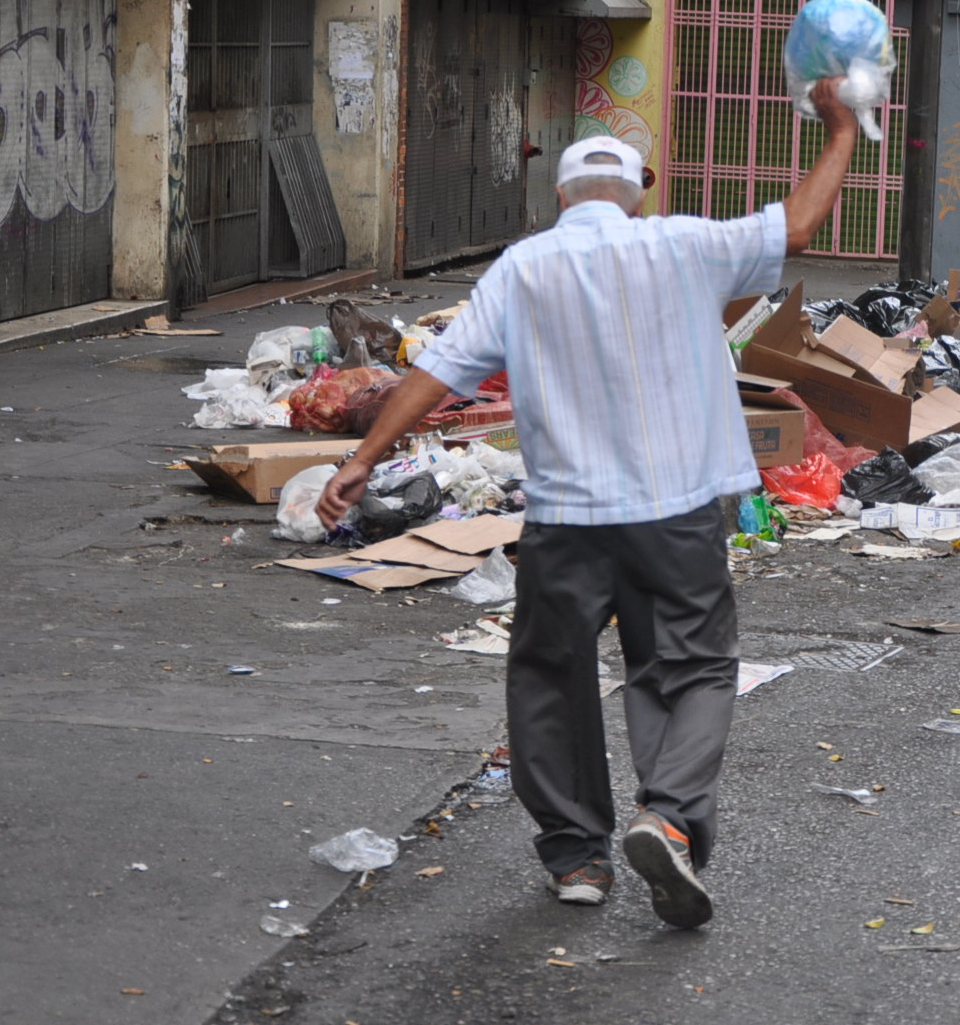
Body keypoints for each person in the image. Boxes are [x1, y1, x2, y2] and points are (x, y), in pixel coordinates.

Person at [317, 83, 862, 930]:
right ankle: (668, 815)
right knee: (690, 668)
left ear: (562, 197)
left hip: (567, 520)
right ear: (639, 189)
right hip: (675, 512)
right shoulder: (684, 243)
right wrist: (840, 130)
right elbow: (795, 227)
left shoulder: (523, 267)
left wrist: (358, 461)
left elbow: (436, 376)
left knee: (550, 678)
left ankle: (576, 857)